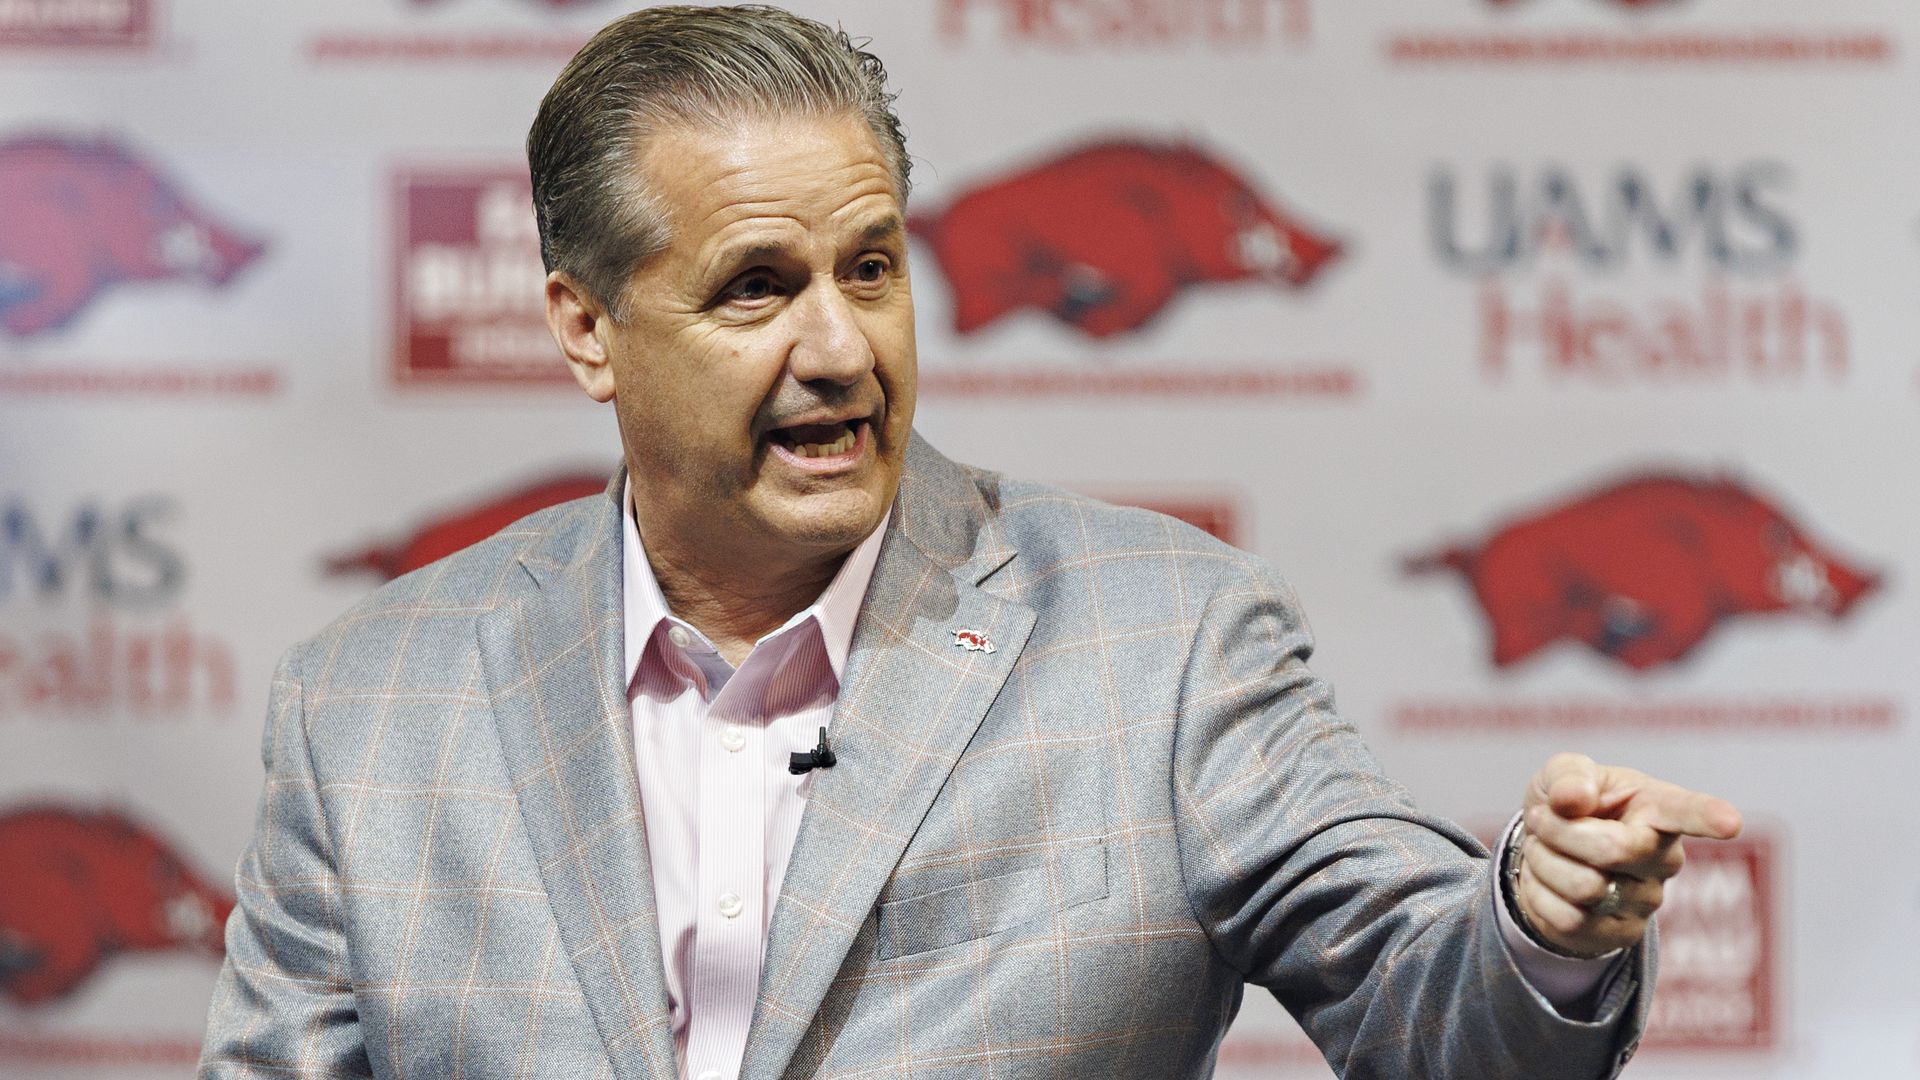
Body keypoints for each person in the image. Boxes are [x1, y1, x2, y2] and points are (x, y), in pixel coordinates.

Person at [198, 6, 1741, 1079]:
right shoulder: (370, 704)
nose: (841, 349)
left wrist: (1537, 926)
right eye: (756, 288)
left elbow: (1438, 1025)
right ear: (587, 330)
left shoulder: (1165, 642)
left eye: (869, 269)